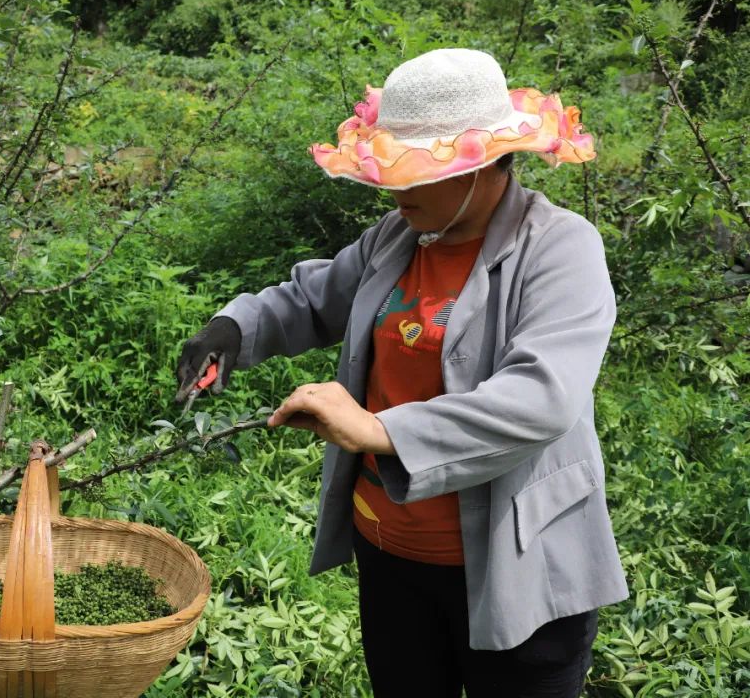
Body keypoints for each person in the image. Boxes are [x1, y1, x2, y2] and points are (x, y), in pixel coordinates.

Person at [174, 48, 629, 698]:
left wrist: (376, 429)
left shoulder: (559, 249)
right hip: (392, 558)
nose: (394, 188)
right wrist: (233, 329)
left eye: (415, 170)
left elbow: (540, 399)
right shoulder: (399, 235)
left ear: (481, 165)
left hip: (517, 566)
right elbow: (310, 299)